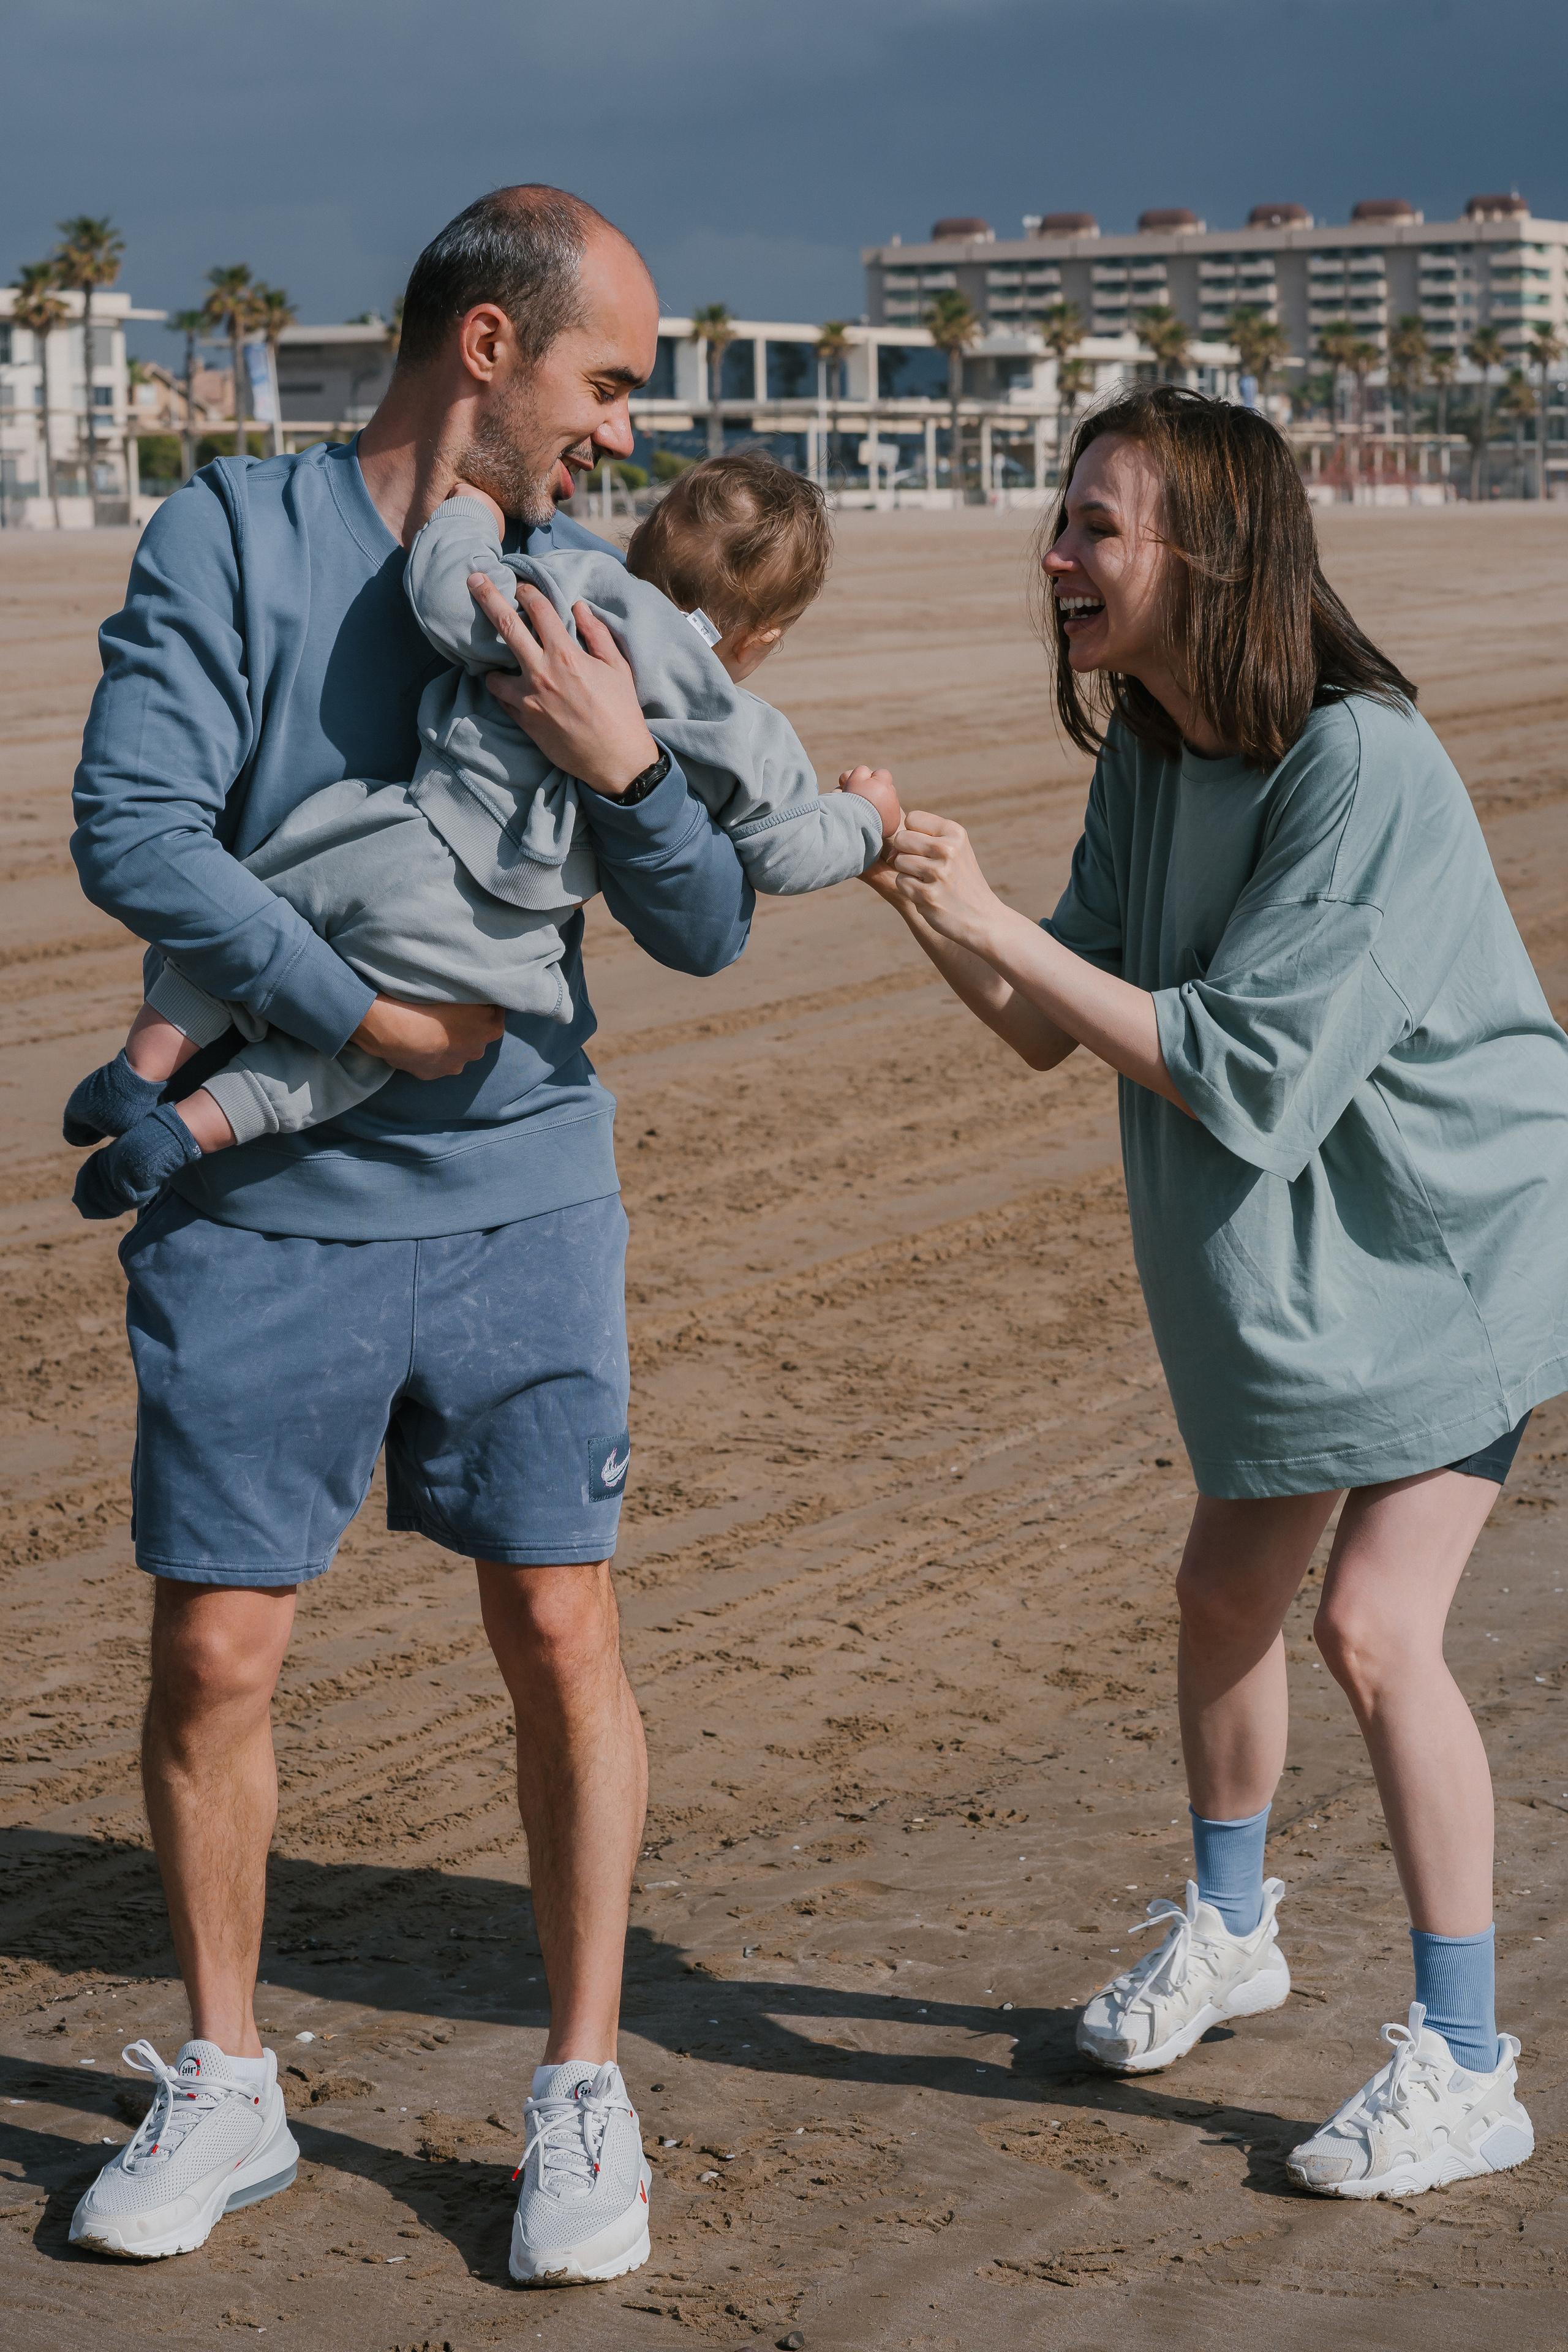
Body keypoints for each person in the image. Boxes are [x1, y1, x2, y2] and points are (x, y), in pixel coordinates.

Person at [66, 184, 755, 2285]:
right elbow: (132, 824)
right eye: (607, 381)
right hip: (264, 1208)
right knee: (216, 1654)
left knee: (560, 1628)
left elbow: (708, 922)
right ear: (487, 347)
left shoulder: (588, 589)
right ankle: (227, 2080)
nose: (625, 431)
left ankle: (581, 2085)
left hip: (527, 1194)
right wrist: (363, 1019)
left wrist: (627, 774)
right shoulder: (230, 538)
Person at [853, 384, 1567, 2199]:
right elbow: (1050, 1019)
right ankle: (1233, 1932)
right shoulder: (1155, 755)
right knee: (1223, 1594)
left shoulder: (1359, 763)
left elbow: (1246, 1074)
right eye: (1062, 518)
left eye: (1095, 525)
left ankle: (1467, 2065)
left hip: (1456, 1246)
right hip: (1303, 1265)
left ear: (1211, 554)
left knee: (1372, 1630)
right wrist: (921, 892)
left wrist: (992, 922)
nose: (1054, 555)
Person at [64, 452, 899, 1209]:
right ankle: (189, 1130)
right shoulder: (743, 729)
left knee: (263, 906)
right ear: (763, 637)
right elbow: (787, 851)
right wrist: (868, 815)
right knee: (352, 1062)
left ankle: (140, 1070)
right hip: (493, 932)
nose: (616, 432)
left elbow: (448, 595)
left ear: (637, 542)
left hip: (396, 839)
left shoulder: (573, 586)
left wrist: (470, 513)